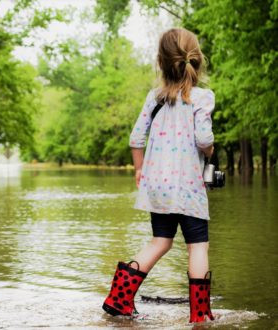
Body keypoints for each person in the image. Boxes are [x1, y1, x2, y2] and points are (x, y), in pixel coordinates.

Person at [102, 28, 216, 323]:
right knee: (198, 246)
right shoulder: (202, 97)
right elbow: (204, 140)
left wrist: (140, 169)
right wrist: (210, 150)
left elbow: (135, 139)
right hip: (189, 188)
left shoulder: (155, 98)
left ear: (161, 62)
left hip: (158, 187)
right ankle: (200, 314)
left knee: (160, 241)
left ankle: (118, 299)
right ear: (196, 60)